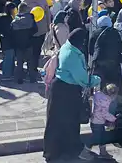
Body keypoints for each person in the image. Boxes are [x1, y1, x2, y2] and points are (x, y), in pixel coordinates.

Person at [42, 28, 92, 161]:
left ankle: (54, 151)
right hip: (67, 91)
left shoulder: (66, 47)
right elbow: (82, 79)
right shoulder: (72, 55)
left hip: (58, 88)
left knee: (55, 122)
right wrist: (95, 79)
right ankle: (68, 150)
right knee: (69, 122)